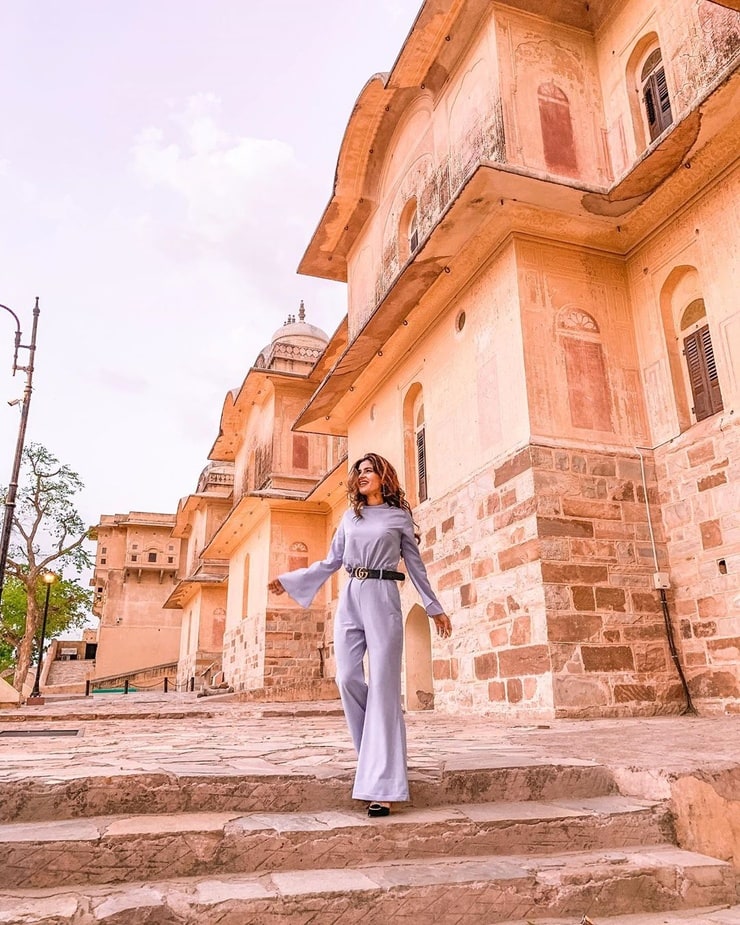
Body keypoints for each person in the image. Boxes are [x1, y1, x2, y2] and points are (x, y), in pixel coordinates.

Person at [268, 452, 452, 817]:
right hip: (351, 596)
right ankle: (373, 758)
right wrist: (290, 581)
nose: (363, 476)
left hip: (384, 596)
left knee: (383, 688)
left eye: (370, 471)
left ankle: (382, 785)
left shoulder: (399, 517)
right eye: (359, 472)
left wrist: (434, 608)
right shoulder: (349, 517)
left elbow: (415, 567)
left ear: (384, 477)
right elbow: (331, 561)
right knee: (348, 678)